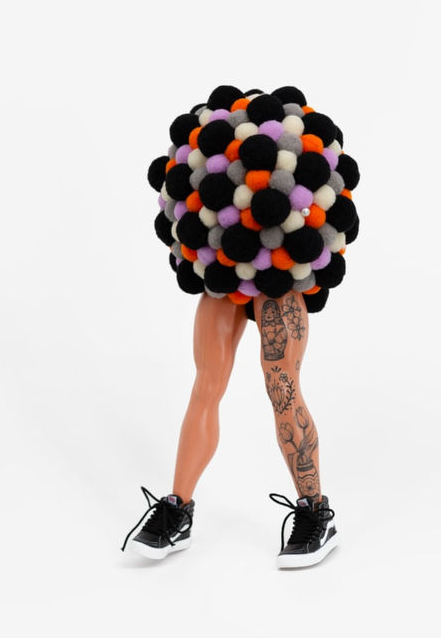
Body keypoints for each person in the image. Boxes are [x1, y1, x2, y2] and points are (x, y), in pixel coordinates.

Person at [120, 85, 359, 568]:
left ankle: (317, 512)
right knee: (207, 384)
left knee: (281, 384)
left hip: (279, 269)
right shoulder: (217, 195)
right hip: (227, 265)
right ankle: (177, 509)